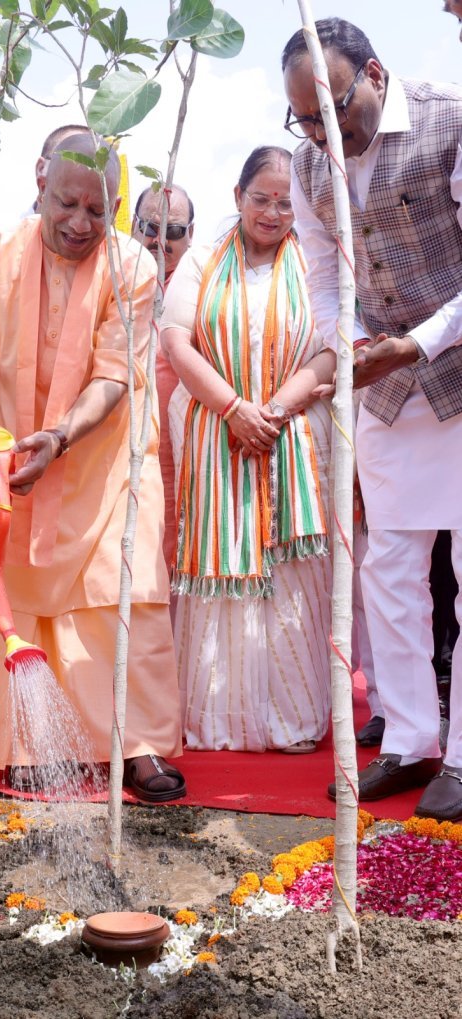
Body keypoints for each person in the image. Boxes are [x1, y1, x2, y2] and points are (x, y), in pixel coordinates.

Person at [0, 133, 185, 801]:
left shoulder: (133, 266)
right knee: (25, 599)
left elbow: (116, 376)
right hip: (14, 456)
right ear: (40, 180)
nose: (81, 224)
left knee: (126, 594)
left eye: (98, 209)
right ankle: (29, 744)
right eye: (67, 203)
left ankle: (137, 748)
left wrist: (57, 438)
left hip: (106, 461)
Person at [283, 17, 462, 819]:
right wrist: (350, 345)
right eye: (305, 118)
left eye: (332, 108)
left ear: (375, 76)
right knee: (389, 574)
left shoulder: (450, 122)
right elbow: (323, 276)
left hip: (453, 371)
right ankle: (409, 741)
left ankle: (461, 760)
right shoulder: (305, 165)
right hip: (385, 395)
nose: (323, 132)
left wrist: (411, 345)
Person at [161, 146, 334, 754]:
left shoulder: (316, 260)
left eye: (286, 202)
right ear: (238, 197)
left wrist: (275, 410)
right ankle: (216, 719)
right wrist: (234, 410)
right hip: (216, 435)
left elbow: (332, 348)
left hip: (291, 436)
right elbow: (177, 340)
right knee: (219, 566)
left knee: (291, 581)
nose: (272, 211)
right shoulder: (205, 258)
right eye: (260, 198)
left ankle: (292, 717)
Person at [131, 184, 194, 576]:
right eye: (150, 227)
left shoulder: (202, 289)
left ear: (191, 235)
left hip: (180, 453)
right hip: (120, 452)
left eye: (173, 232)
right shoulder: (114, 278)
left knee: (171, 564)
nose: (160, 241)